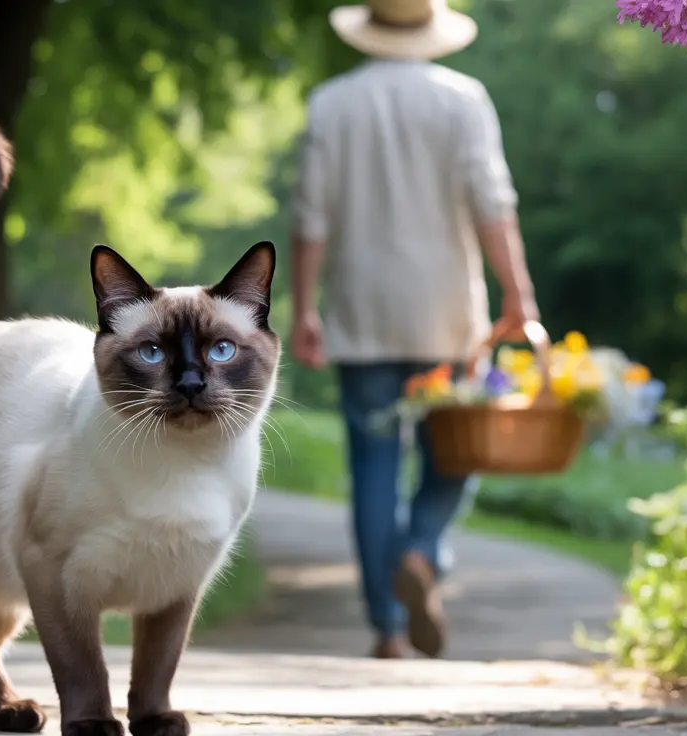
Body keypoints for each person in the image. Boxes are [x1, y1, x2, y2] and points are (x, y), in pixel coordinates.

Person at [288, 0, 541, 660]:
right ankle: (422, 551)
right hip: (447, 318)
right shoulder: (463, 99)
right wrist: (519, 295)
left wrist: (302, 310)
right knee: (457, 454)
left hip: (361, 312)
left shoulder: (332, 103)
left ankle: (388, 630)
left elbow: (309, 217)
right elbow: (494, 203)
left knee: (373, 467)